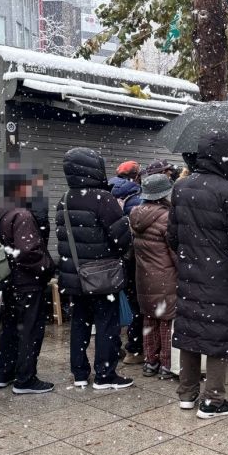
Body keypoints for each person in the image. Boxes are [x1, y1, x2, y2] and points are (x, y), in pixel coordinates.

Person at [168, 131, 228, 418]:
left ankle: (187, 393)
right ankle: (213, 400)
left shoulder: (180, 188)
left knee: (191, 331)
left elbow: (172, 235)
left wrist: (190, 256)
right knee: (218, 336)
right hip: (222, 277)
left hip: (190, 273)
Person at [56, 147, 134, 390]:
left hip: (74, 275)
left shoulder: (65, 199)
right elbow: (121, 239)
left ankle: (80, 373)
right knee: (106, 324)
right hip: (102, 276)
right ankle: (105, 374)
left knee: (79, 323)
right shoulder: (103, 199)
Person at [0, 170, 56, 394]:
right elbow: (28, 252)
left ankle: (3, 373)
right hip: (27, 281)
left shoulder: (2, 212)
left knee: (10, 327)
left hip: (10, 280)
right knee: (30, 329)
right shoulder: (23, 216)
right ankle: (25, 379)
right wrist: (47, 266)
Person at [129, 174, 177, 379]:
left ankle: (150, 362)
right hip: (165, 276)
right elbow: (175, 252)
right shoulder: (167, 217)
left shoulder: (134, 214)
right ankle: (166, 364)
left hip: (143, 277)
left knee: (149, 320)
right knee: (166, 322)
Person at [109, 160, 144, 363]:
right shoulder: (136, 199)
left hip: (109, 259)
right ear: (136, 175)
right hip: (131, 259)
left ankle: (113, 346)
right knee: (135, 303)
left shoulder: (105, 194)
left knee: (112, 303)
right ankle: (134, 348)